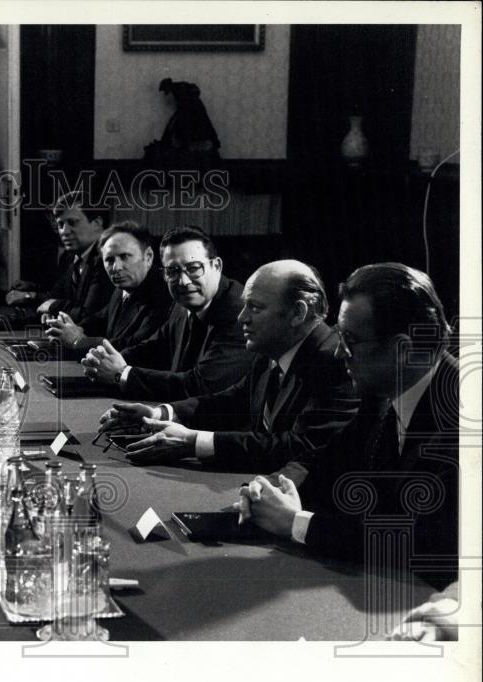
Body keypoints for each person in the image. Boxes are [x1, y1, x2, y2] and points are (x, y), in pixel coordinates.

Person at [239, 263, 459, 591]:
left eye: (351, 340)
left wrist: (296, 523)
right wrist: (271, 488)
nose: (340, 352)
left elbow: (421, 541)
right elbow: (327, 459)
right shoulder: (384, 390)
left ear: (403, 350)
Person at [103, 259, 359, 470]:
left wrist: (194, 442)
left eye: (255, 308)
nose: (241, 317)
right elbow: (233, 401)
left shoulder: (335, 362)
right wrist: (160, 414)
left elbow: (298, 447)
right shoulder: (271, 348)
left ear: (298, 313)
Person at [82, 225, 254, 401]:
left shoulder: (240, 315)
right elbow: (155, 347)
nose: (183, 281)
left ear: (216, 266)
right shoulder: (183, 301)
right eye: (172, 271)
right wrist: (104, 360)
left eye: (193, 268)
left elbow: (200, 386)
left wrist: (121, 373)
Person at [44, 221, 172, 353]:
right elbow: (99, 319)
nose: (116, 267)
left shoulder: (163, 292)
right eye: (109, 260)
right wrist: (68, 329)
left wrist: (78, 341)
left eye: (124, 256)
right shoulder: (122, 288)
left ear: (148, 256)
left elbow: (134, 345)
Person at [6, 190, 113, 326]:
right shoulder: (71, 257)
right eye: (60, 224)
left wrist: (54, 306)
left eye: (72, 223)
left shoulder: (109, 259)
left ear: (97, 223)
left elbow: (88, 315)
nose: (64, 231)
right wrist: (49, 309)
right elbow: (55, 295)